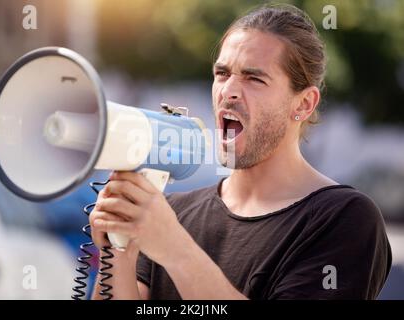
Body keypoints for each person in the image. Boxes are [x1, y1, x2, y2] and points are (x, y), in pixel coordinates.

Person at [89, 4, 391, 300]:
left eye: (254, 78)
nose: (228, 91)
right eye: (222, 74)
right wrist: (117, 251)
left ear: (303, 104)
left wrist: (175, 249)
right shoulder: (175, 213)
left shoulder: (342, 219)